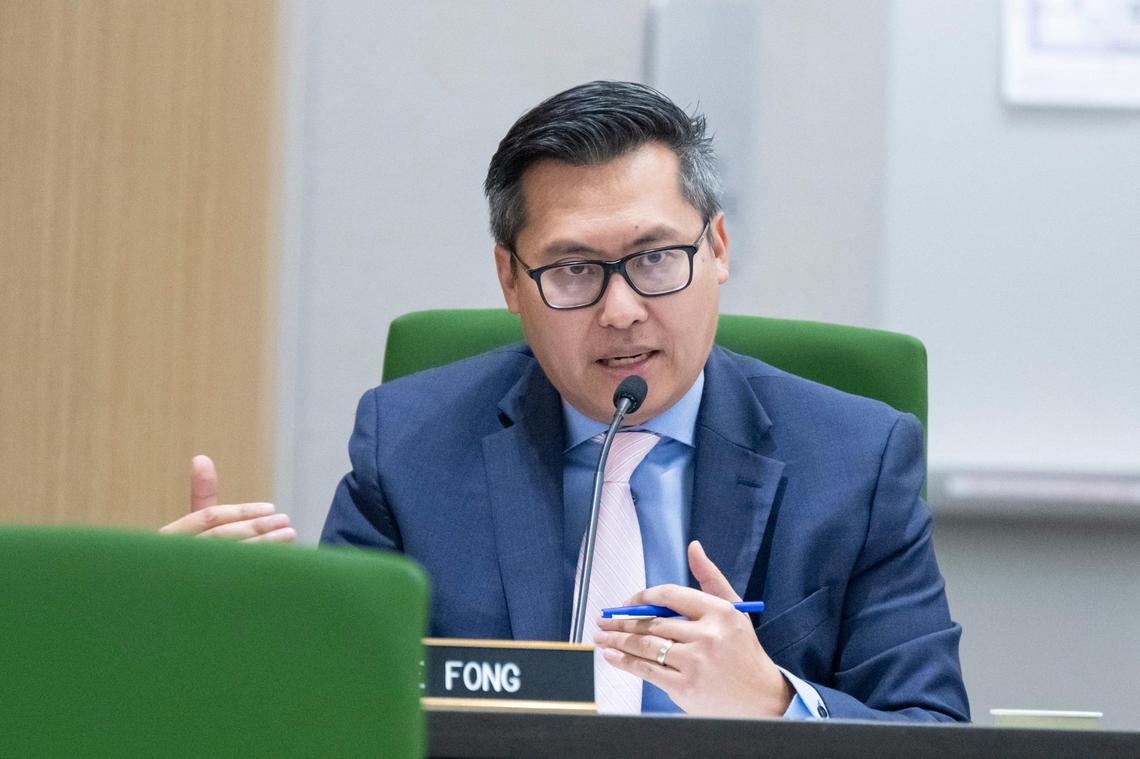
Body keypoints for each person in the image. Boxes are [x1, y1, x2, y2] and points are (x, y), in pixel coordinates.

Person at [162, 81, 969, 722]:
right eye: (574, 270)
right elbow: (344, 707)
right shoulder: (408, 449)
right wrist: (246, 631)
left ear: (717, 249)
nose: (620, 309)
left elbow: (931, 727)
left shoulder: (858, 459)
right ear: (511, 280)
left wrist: (772, 701)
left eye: (655, 258)